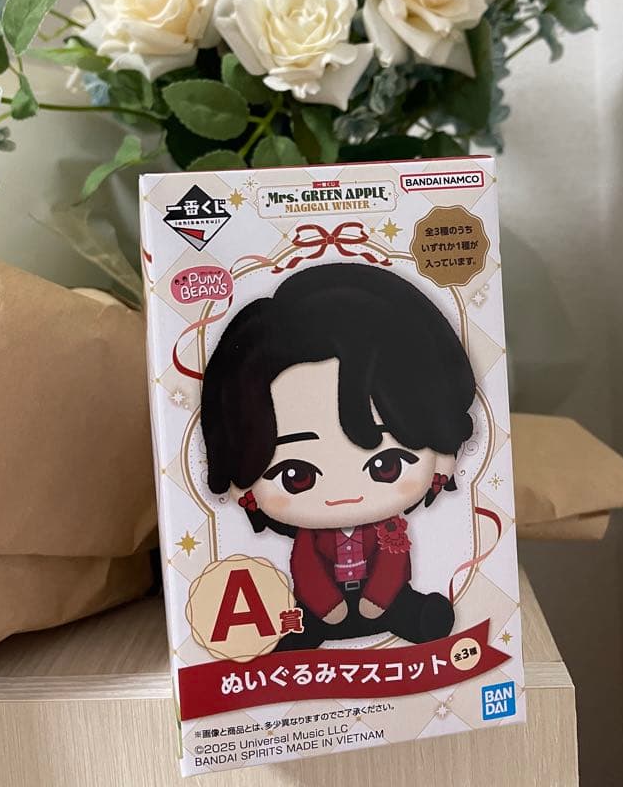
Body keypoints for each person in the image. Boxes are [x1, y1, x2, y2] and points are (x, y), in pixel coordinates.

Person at [201, 262, 476, 649]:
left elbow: (393, 564)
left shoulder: (389, 531)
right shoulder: (310, 539)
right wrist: (327, 605)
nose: (345, 495)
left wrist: (377, 600)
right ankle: (310, 630)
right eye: (297, 475)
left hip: (384, 600)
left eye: (385, 466)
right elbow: (306, 568)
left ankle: (413, 617)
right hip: (324, 604)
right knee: (304, 622)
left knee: (406, 608)